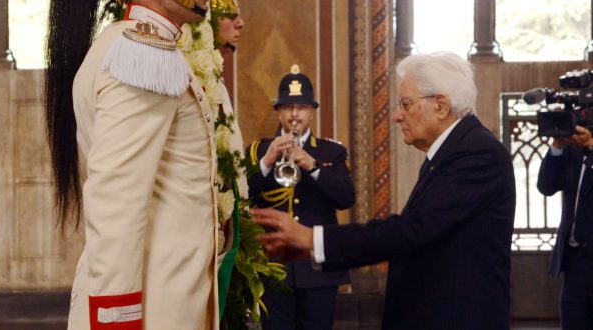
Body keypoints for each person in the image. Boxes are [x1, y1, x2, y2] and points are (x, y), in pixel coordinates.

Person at [251, 52, 516, 330]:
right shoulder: (450, 153)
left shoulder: (477, 153)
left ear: (440, 105)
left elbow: (413, 229)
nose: (396, 116)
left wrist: (314, 239)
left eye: (405, 104)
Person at [45, 0, 221, 329]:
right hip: (153, 311)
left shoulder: (138, 45)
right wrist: (116, 321)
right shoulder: (142, 54)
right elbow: (117, 203)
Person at [246, 65, 356, 330]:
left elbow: (346, 198)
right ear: (279, 111)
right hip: (273, 267)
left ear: (312, 111)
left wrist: (314, 166)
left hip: (316, 267)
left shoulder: (331, 152)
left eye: (302, 107)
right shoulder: (258, 150)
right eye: (287, 107)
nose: (295, 114)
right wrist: (267, 161)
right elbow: (242, 197)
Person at [537, 125, 593, 329]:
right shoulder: (576, 144)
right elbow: (546, 186)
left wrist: (591, 146)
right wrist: (557, 146)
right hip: (576, 261)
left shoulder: (587, 143)